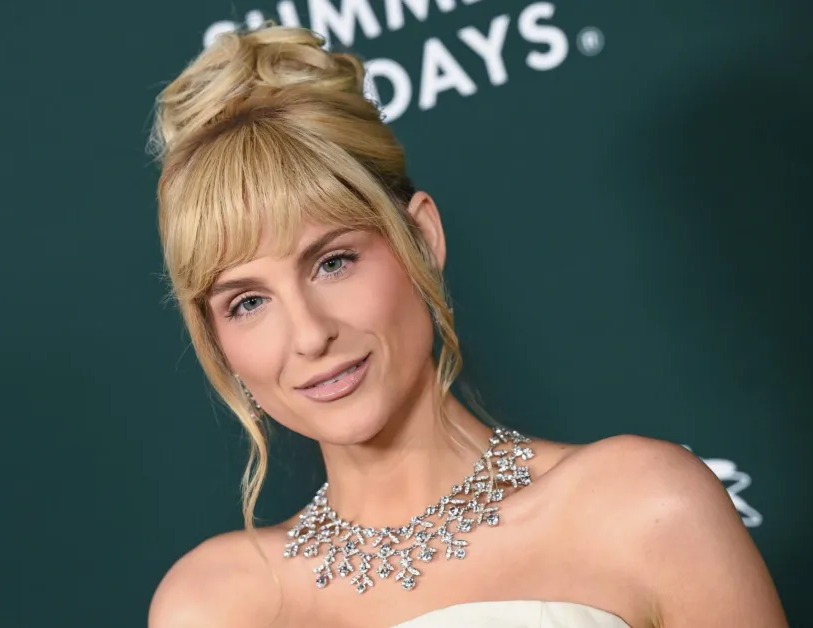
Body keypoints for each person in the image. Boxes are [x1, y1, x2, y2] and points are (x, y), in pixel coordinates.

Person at [144, 24, 788, 628]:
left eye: (332, 262)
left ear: (421, 240)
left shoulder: (644, 508)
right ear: (217, 340)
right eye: (248, 303)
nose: (310, 336)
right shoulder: (211, 604)